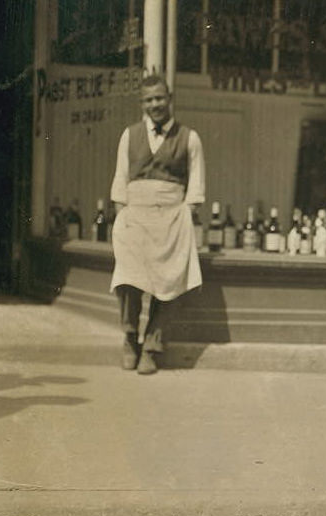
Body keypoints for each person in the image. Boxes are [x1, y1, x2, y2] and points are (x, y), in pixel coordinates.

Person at [109, 74, 205, 375]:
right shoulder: (130, 135)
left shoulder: (189, 137)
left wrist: (183, 218)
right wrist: (123, 217)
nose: (155, 105)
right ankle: (129, 338)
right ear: (143, 103)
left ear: (170, 98)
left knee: (168, 284)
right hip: (135, 217)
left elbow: (196, 188)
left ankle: (152, 346)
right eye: (149, 100)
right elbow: (120, 182)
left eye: (159, 98)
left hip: (171, 218)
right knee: (128, 281)